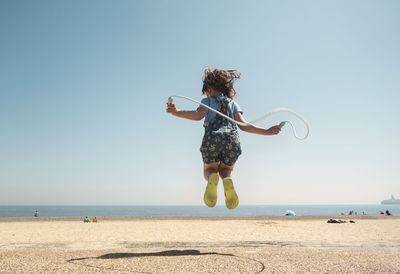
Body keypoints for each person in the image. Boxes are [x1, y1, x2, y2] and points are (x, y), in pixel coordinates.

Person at [166, 68, 281, 209]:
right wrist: (267, 131)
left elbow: (197, 116)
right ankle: (227, 179)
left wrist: (176, 112)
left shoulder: (207, 101)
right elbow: (243, 125)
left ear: (207, 89)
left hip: (212, 138)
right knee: (227, 169)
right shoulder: (232, 103)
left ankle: (211, 178)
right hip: (232, 141)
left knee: (209, 170)